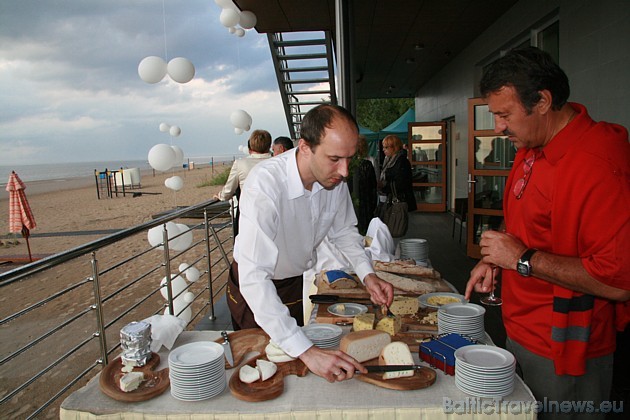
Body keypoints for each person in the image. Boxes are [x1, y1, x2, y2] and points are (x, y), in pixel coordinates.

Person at [464, 47, 629, 419]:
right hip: (520, 330)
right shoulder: (535, 145)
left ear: (542, 101)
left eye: (505, 115)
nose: (498, 128)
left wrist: (520, 259)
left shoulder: (597, 164)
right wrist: (497, 258)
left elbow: (618, 281)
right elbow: (527, 218)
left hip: (565, 350)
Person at [226, 104, 394, 382]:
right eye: (335, 159)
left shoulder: (334, 181)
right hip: (252, 289)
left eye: (349, 159)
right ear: (305, 147)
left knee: (290, 370)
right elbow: (254, 277)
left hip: (292, 281)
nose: (345, 171)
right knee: (261, 371)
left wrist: (368, 275)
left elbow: (344, 233)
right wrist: (307, 351)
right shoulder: (265, 184)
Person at [213, 129, 272, 236]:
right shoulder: (276, 161)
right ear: (269, 145)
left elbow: (229, 189)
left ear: (250, 146)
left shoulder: (241, 163)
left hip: (249, 214)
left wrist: (220, 196)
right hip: (272, 213)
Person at [377, 134, 417, 220]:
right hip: (391, 198)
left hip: (397, 199)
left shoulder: (401, 161)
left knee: (395, 225)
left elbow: (401, 183)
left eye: (386, 147)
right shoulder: (389, 160)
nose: (383, 150)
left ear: (394, 147)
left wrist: (383, 186)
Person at [348, 135, 377, 234]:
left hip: (352, 205)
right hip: (366, 204)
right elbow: (374, 186)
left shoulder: (348, 165)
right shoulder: (368, 163)